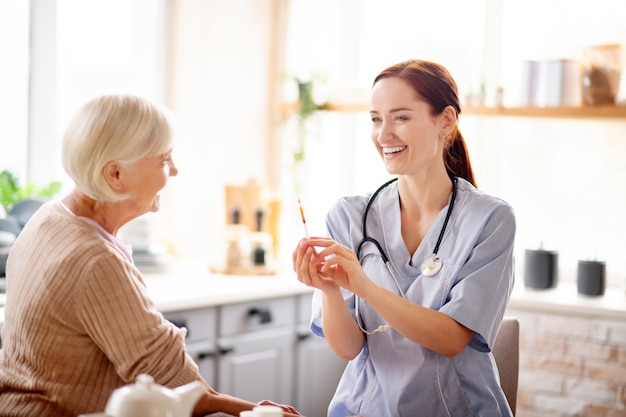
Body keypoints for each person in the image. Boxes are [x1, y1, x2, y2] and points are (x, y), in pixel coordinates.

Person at [0, 95, 300, 417]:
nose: (174, 171)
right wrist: (256, 411)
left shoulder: (48, 217)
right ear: (115, 175)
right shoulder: (95, 260)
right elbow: (172, 382)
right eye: (163, 160)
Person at [293, 60, 516, 417]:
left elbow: (451, 338)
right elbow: (349, 348)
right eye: (375, 119)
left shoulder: (489, 219)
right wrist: (330, 290)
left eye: (401, 118)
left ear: (446, 121)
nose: (383, 135)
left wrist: (365, 286)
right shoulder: (349, 217)